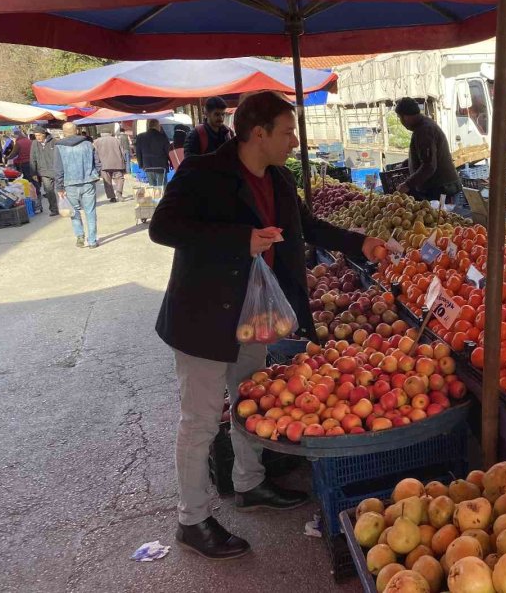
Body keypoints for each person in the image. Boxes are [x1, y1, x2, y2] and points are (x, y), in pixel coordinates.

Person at [148, 90, 387, 560]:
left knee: (250, 399)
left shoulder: (278, 178)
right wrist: (239, 239)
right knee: (200, 420)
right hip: (203, 313)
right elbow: (163, 228)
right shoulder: (202, 172)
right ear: (259, 133)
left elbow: (308, 226)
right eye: (287, 131)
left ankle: (250, 482)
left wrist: (361, 243)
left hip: (253, 313)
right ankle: (192, 520)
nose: (294, 141)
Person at [394, 97, 462, 200]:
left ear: (406, 116)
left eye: (400, 118)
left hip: (442, 188)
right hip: (441, 186)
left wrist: (407, 184)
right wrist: (405, 164)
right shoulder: (423, 126)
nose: (401, 122)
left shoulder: (424, 130)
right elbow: (424, 156)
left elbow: (429, 166)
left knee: (439, 211)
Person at [55, 122, 101, 248]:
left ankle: (80, 237)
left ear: (64, 132)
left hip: (69, 184)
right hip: (88, 182)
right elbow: (97, 162)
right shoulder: (88, 144)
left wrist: (59, 186)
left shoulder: (59, 146)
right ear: (76, 131)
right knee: (90, 212)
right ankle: (92, 241)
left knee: (74, 211)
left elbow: (58, 169)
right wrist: (96, 174)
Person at [30, 125, 60, 216]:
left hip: (56, 170)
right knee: (49, 191)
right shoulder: (34, 143)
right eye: (36, 135)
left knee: (62, 189)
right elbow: (32, 158)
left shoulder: (54, 142)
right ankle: (54, 209)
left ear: (44, 134)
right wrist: (33, 173)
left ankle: (69, 206)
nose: (37, 137)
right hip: (44, 171)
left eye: (39, 135)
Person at [93, 131, 128, 202]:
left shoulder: (96, 142)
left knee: (107, 182)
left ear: (101, 134)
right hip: (117, 163)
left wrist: (97, 166)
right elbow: (123, 152)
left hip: (104, 165)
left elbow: (95, 155)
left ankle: (112, 197)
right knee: (119, 179)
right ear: (110, 133)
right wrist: (124, 163)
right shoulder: (117, 140)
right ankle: (119, 193)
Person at [136, 119, 172, 187]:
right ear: (157, 126)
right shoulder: (162, 137)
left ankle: (154, 194)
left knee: (152, 187)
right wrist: (171, 163)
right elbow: (168, 151)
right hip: (161, 166)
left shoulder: (140, 137)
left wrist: (141, 165)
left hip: (147, 166)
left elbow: (138, 152)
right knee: (161, 188)